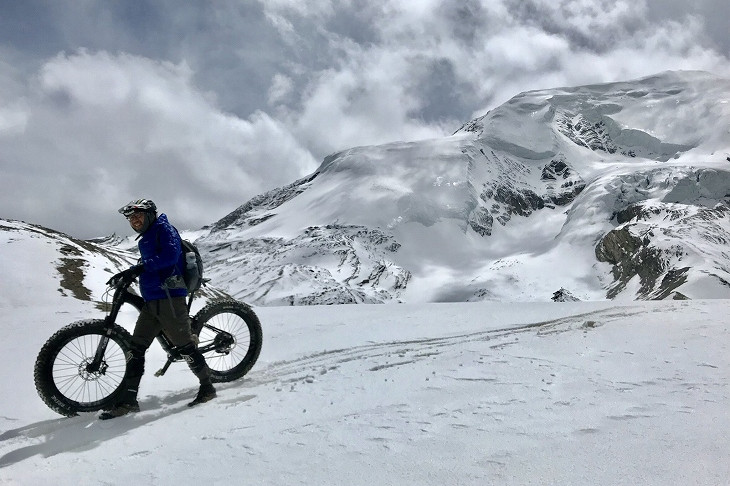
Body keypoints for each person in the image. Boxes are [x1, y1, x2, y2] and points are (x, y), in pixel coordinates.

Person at [99, 198, 216, 420]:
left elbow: (170, 256)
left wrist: (141, 267)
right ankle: (129, 401)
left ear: (150, 215)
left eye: (139, 216)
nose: (135, 220)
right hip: (153, 300)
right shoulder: (147, 236)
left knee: (185, 346)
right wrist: (130, 272)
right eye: (131, 218)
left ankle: (208, 387)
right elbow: (151, 261)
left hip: (170, 298)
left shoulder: (164, 228)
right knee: (136, 348)